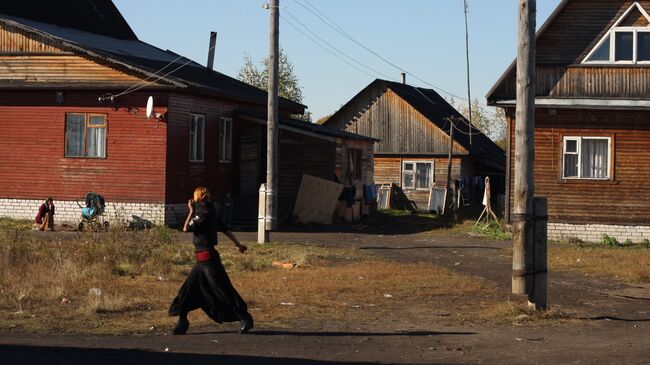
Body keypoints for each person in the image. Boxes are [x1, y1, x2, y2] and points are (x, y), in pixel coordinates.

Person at [169, 187, 253, 335]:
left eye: (194, 198)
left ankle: (244, 317)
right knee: (187, 290)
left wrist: (190, 210)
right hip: (202, 261)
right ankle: (182, 321)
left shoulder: (202, 213)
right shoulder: (211, 211)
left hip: (208, 260)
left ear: (198, 198)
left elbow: (185, 228)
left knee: (222, 289)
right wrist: (238, 244)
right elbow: (225, 230)